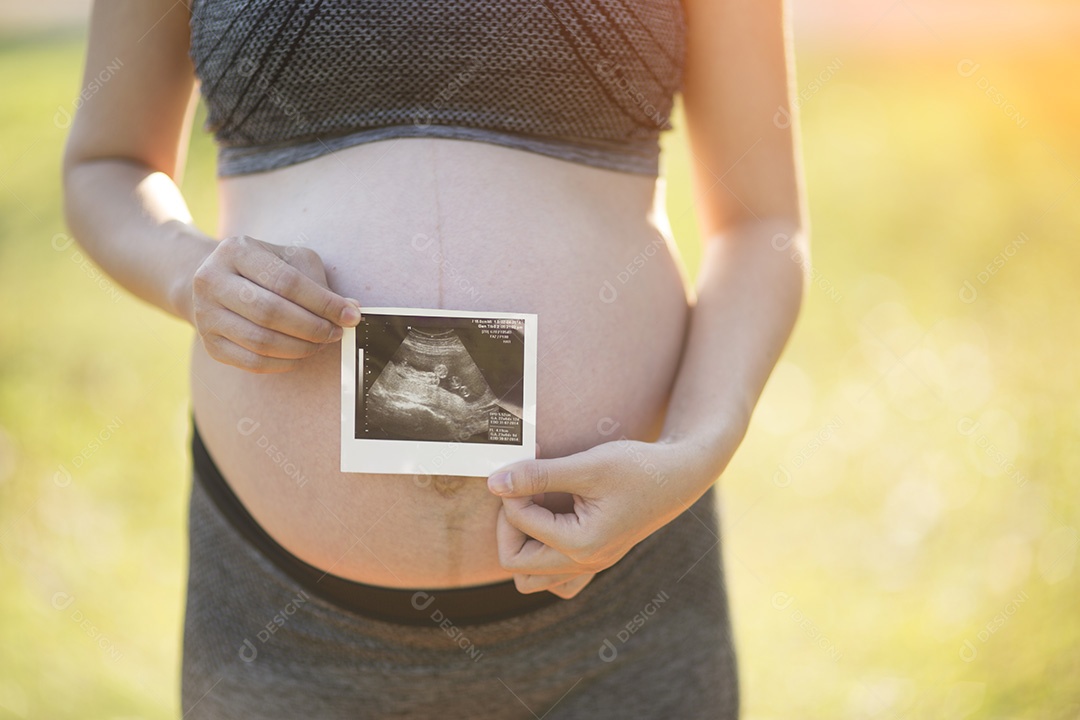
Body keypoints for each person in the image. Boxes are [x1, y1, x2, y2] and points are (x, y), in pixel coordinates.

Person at [61, 0, 808, 716]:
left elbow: (763, 223)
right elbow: (106, 163)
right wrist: (188, 274)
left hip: (623, 606)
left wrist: (695, 450)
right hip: (286, 629)